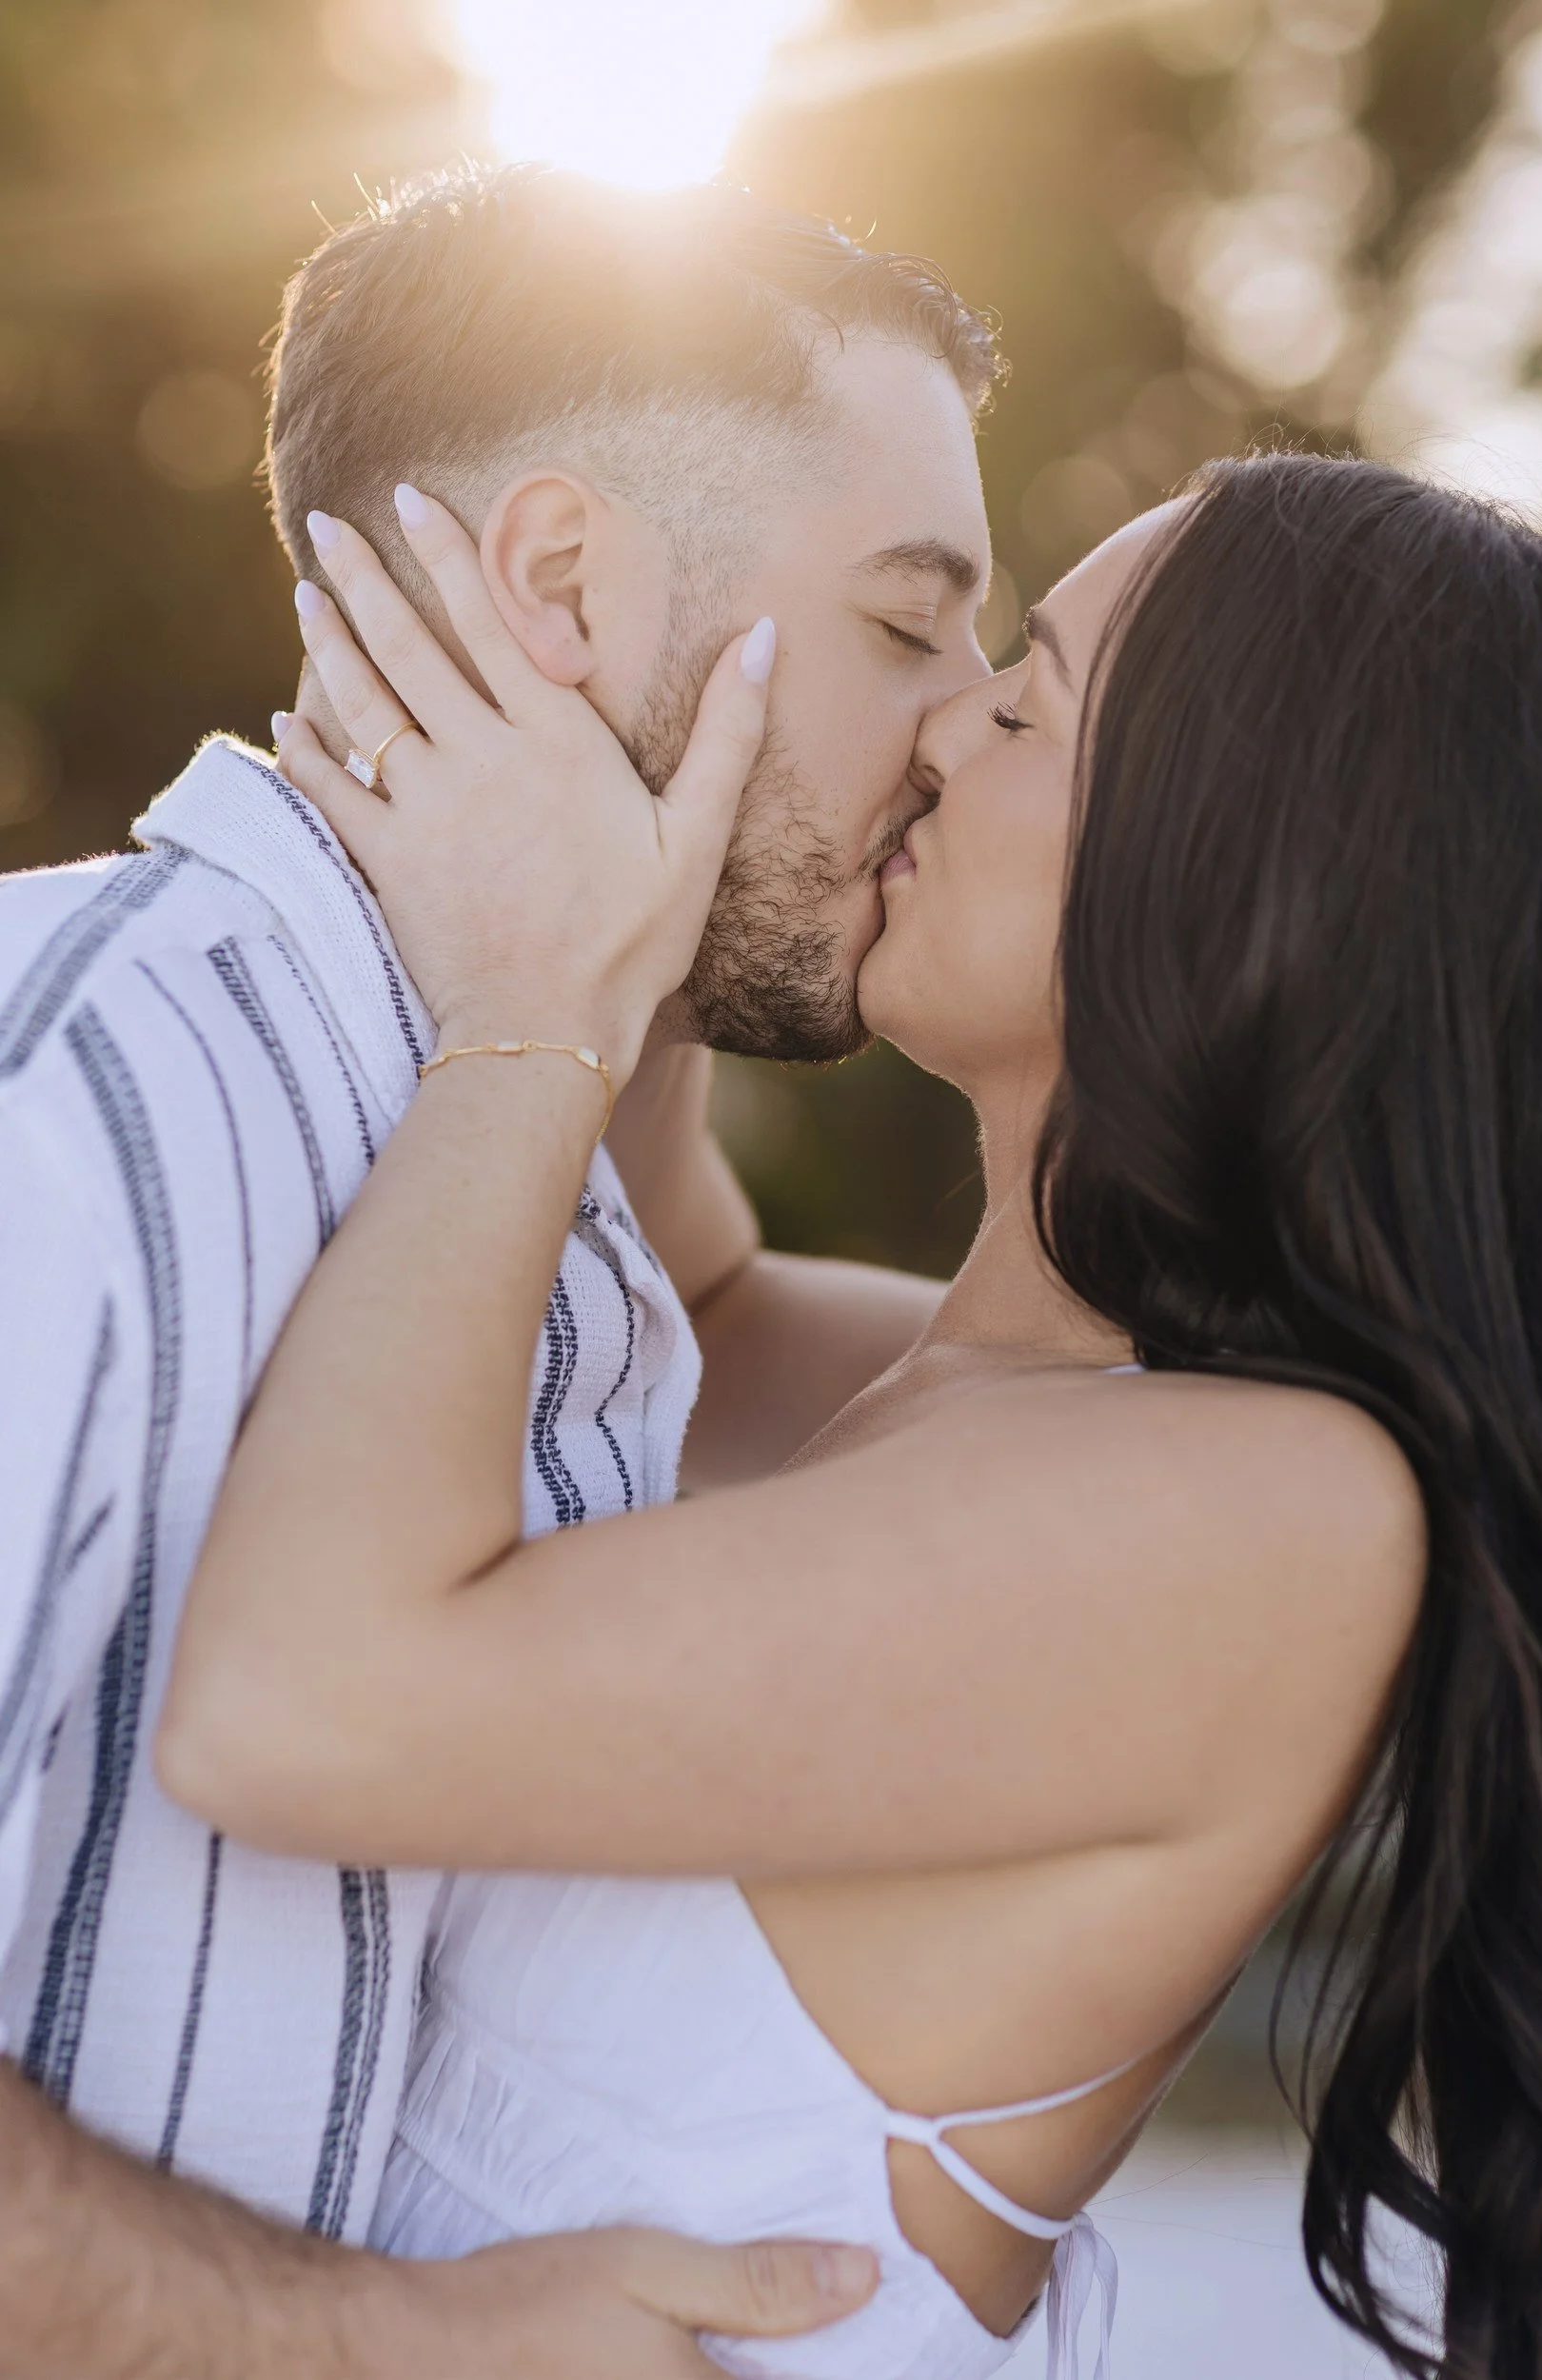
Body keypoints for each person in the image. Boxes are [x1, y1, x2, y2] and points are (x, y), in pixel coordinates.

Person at [164, 438, 1542, 2380]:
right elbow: (669, 1299)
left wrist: (539, 1000)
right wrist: (663, 780)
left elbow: (288, 1705)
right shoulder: (950, 1387)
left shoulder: (1282, 1521)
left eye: (1025, 694)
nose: (931, 728)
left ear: (1246, 861)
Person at [0, 160, 1009, 2375]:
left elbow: (803, 1347)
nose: (960, 724)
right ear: (561, 577)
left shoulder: (543, 1192)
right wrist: (371, 2337)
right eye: (906, 621)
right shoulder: (71, 1100)